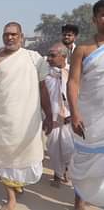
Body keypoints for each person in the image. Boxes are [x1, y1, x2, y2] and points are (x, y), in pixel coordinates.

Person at [0, 22, 52, 210]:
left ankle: (17, 183)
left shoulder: (34, 59)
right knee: (4, 157)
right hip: (3, 120)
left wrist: (50, 114)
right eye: (6, 35)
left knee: (27, 155)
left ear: (21, 37)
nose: (9, 38)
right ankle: (10, 199)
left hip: (27, 120)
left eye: (13, 34)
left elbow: (43, 89)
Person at [67, 0, 104, 209]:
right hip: (89, 118)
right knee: (84, 164)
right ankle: (79, 204)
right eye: (103, 14)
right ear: (94, 19)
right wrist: (75, 113)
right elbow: (72, 83)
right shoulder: (83, 49)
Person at [44, 43, 74, 188]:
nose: (49, 58)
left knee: (70, 150)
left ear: (63, 56)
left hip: (70, 119)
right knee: (53, 149)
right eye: (48, 55)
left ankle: (67, 172)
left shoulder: (72, 72)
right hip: (53, 119)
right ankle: (57, 175)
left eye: (52, 55)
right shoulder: (45, 75)